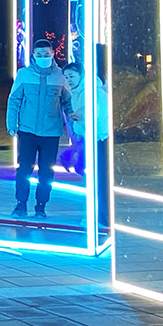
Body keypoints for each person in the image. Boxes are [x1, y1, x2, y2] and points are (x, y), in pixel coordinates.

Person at [5, 41, 75, 220]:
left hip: (51, 133)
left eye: (46, 54)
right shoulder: (24, 75)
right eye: (39, 54)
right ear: (33, 56)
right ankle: (20, 204)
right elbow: (14, 101)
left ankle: (41, 206)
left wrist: (73, 122)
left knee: (46, 170)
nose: (43, 57)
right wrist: (12, 124)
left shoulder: (60, 77)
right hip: (27, 131)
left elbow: (68, 102)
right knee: (24, 169)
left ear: (52, 54)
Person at [62, 57, 110, 227]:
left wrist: (78, 117)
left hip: (99, 139)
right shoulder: (80, 92)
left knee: (98, 179)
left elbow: (91, 112)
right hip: (92, 138)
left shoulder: (90, 92)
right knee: (91, 175)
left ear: (81, 75)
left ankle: (102, 217)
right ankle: (100, 215)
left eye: (71, 76)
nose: (68, 80)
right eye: (66, 77)